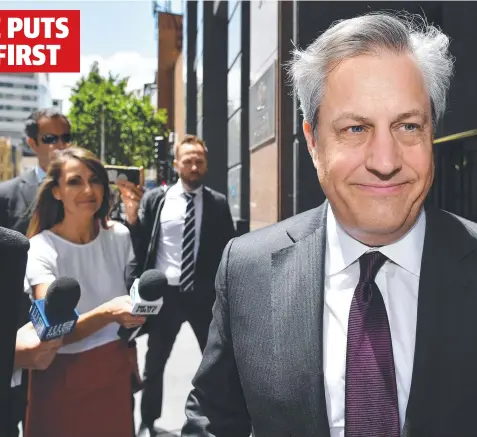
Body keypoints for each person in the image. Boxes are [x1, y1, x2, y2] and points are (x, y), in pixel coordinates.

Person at [181, 12, 477, 437]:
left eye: (408, 126)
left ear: (431, 133)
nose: (385, 161)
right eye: (355, 128)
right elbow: (212, 418)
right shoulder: (246, 270)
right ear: (313, 142)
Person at [24, 147, 146, 437]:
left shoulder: (119, 235)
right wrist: (108, 313)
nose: (89, 189)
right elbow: (54, 330)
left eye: (95, 180)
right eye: (75, 181)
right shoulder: (40, 248)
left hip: (113, 370)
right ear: (56, 191)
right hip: (60, 375)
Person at [119, 134, 236, 437]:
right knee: (155, 363)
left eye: (199, 160)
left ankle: (218, 421)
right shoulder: (157, 200)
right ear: (176, 164)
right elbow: (141, 242)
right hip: (165, 295)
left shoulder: (218, 203)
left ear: (206, 163)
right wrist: (131, 219)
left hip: (203, 296)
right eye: (188, 160)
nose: (194, 165)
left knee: (218, 361)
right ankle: (148, 422)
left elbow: (229, 250)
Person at [0, 108, 71, 436]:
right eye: (50, 138)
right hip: (15, 328)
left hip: (67, 326)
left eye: (66, 137)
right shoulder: (8, 193)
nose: (60, 144)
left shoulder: (83, 189)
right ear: (32, 142)